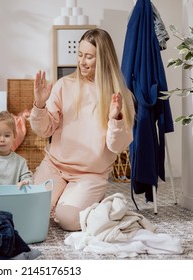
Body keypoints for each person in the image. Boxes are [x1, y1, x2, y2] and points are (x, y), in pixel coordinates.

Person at [30, 28, 135, 231]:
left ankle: (93, 200)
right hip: (55, 166)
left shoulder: (121, 96)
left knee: (67, 220)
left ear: (103, 58)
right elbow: (44, 130)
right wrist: (40, 104)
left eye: (89, 57)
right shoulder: (64, 85)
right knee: (33, 210)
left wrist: (116, 118)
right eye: (79, 55)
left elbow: (117, 146)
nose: (82, 62)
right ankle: (70, 197)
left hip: (90, 174)